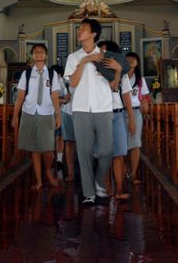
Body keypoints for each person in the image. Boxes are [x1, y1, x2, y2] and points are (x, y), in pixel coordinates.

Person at [64, 18, 117, 205]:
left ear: (93, 33)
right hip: (80, 109)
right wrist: (85, 60)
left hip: (102, 107)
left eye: (83, 28)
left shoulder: (105, 57)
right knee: (84, 151)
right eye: (79, 28)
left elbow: (113, 85)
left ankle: (99, 180)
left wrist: (117, 71)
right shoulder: (73, 57)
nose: (79, 31)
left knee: (107, 149)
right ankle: (89, 193)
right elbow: (73, 83)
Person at [11, 44, 63, 189]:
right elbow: (20, 96)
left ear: (46, 55)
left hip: (46, 113)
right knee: (34, 148)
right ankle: (39, 180)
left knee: (47, 149)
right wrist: (15, 116)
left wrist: (58, 115)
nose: (39, 54)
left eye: (41, 52)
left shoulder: (52, 74)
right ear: (32, 56)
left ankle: (48, 172)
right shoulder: (26, 74)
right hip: (29, 112)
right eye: (36, 52)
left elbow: (54, 96)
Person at [98, 41, 135, 201]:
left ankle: (119, 189)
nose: (103, 54)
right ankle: (106, 183)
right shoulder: (95, 71)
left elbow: (126, 95)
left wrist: (131, 118)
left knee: (119, 154)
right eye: (101, 51)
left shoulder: (123, 72)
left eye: (106, 51)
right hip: (101, 115)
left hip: (118, 114)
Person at [125, 52, 149, 185]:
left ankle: (133, 173)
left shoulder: (140, 79)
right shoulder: (120, 77)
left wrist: (144, 105)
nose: (130, 61)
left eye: (133, 59)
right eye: (128, 59)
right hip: (121, 112)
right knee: (122, 144)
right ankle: (122, 170)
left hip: (135, 112)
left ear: (137, 63)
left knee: (135, 144)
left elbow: (144, 96)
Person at [50, 64, 68, 178]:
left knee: (60, 137)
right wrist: (61, 100)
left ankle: (59, 159)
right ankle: (51, 158)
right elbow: (50, 99)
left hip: (61, 113)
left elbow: (67, 97)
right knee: (51, 137)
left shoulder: (63, 82)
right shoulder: (49, 82)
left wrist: (61, 100)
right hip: (49, 113)